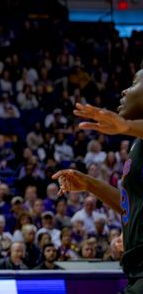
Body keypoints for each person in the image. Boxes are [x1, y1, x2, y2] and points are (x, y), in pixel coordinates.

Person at [54, 69, 143, 293]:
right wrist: (90, 184)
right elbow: (129, 206)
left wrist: (126, 125)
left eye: (134, 83)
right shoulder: (137, 143)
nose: (124, 91)